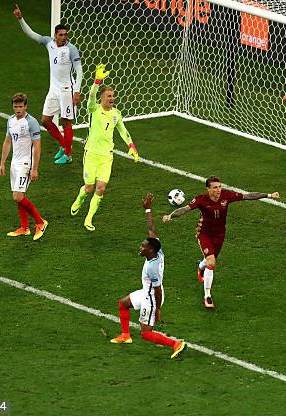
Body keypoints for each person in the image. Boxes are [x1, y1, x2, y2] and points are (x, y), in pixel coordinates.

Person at [162, 176, 280, 308]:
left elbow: (248, 196)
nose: (218, 190)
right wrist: (170, 216)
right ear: (208, 189)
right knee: (212, 262)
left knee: (208, 261)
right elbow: (184, 209)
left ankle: (200, 267)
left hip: (219, 235)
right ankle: (207, 296)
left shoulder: (226, 196)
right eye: (215, 187)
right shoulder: (201, 200)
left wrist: (269, 195)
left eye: (219, 187)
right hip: (204, 234)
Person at [110, 194, 187, 359]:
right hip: (146, 292)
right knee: (123, 304)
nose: (141, 247)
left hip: (151, 299)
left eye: (143, 246)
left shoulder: (152, 268)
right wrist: (148, 209)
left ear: (150, 250)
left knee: (145, 333)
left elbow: (157, 290)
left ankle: (176, 344)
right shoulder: (157, 250)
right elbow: (152, 229)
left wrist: (158, 309)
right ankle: (125, 335)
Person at [70, 64, 140, 231]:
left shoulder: (116, 114)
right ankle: (80, 199)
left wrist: (131, 145)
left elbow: (123, 130)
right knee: (89, 188)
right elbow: (91, 95)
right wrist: (97, 81)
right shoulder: (93, 109)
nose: (111, 98)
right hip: (91, 154)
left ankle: (89, 218)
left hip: (106, 156)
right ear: (102, 97)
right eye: (108, 96)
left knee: (101, 188)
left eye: (113, 96)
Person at [13, 4, 83, 165]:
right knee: (45, 120)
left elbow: (79, 71)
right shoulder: (48, 43)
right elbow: (31, 34)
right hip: (54, 89)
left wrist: (77, 92)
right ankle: (63, 144)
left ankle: (68, 154)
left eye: (65, 34)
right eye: (61, 35)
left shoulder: (71, 49)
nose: (64, 37)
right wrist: (20, 19)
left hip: (67, 90)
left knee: (66, 122)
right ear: (55, 35)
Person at [0, 93, 48, 241]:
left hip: (26, 164)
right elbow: (7, 142)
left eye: (21, 106)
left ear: (26, 106)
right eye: (15, 106)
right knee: (20, 196)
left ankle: (40, 222)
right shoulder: (11, 121)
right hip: (14, 164)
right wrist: (2, 163)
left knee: (18, 196)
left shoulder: (31, 122)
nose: (18, 109)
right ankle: (24, 227)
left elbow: (37, 146)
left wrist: (35, 168)